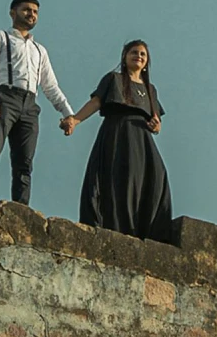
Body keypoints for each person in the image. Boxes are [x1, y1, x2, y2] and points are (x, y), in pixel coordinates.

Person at [0, 0, 77, 211]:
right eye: (26, 10)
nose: (31, 14)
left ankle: (20, 212)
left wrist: (69, 114)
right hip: (4, 97)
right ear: (13, 12)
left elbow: (50, 86)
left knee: (24, 164)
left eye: (35, 12)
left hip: (30, 104)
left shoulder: (39, 50)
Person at [64, 39, 173, 240]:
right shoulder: (113, 79)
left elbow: (156, 120)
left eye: (142, 54)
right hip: (117, 133)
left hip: (142, 140)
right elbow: (96, 102)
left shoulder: (151, 89)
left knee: (154, 178)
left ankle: (146, 231)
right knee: (118, 179)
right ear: (125, 56)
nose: (138, 56)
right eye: (134, 52)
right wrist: (75, 120)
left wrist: (156, 127)